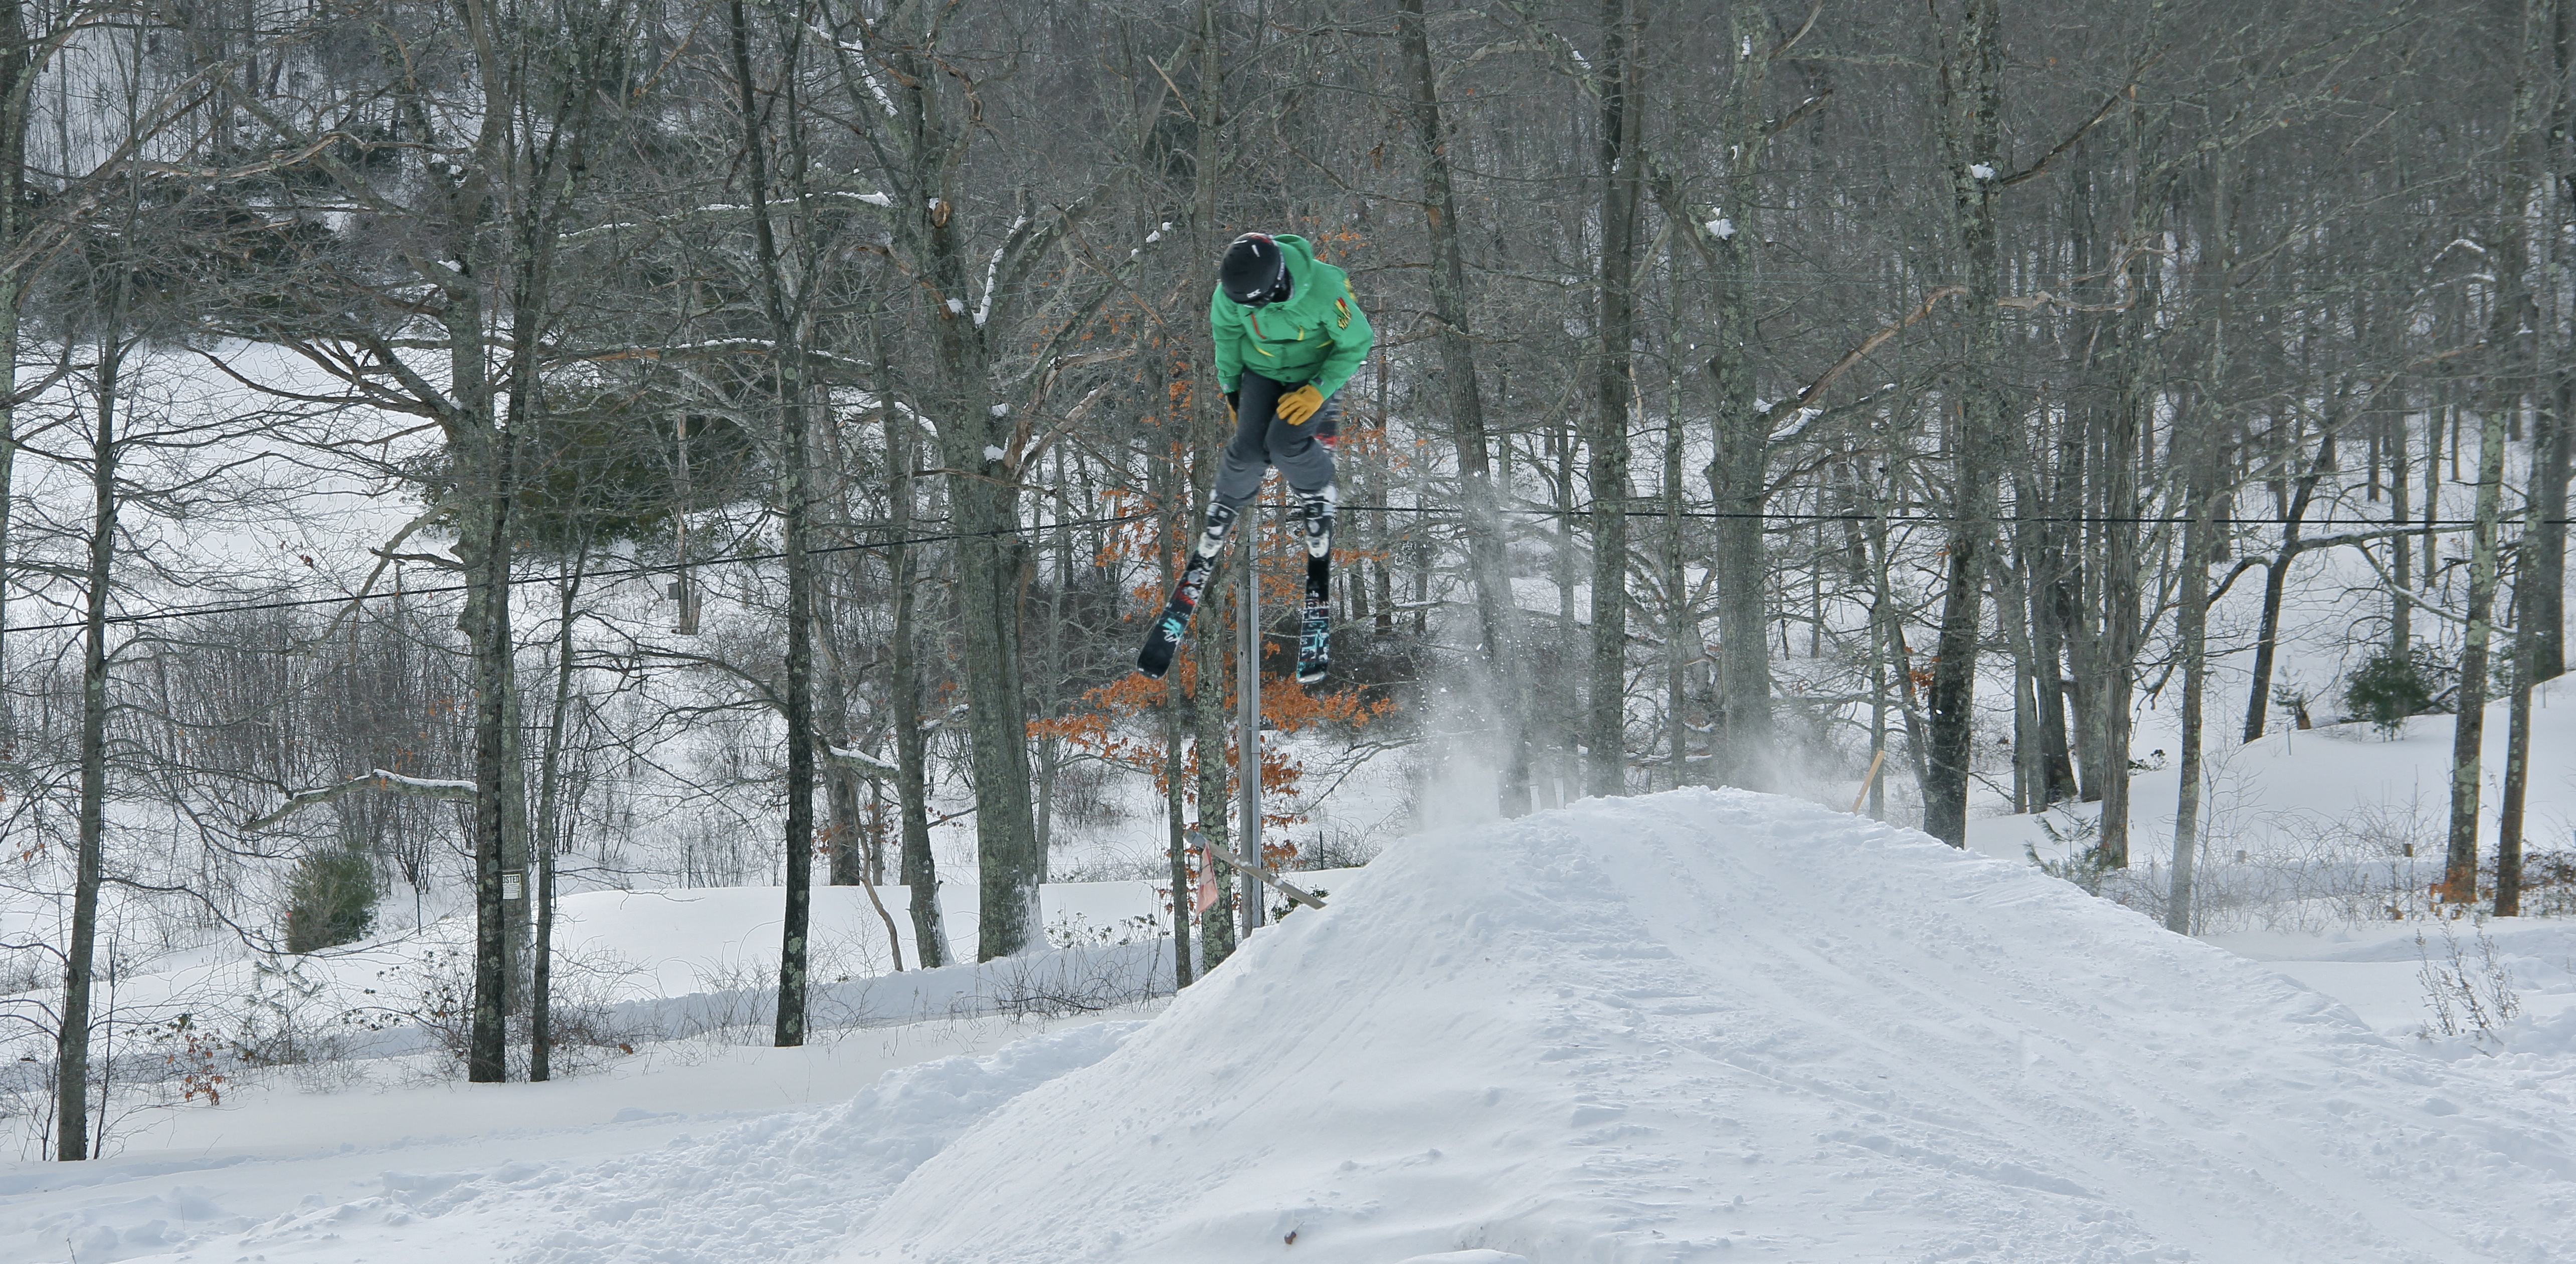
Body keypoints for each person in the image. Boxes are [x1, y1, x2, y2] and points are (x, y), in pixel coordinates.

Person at [1194, 231, 1375, 560]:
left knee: (1284, 445)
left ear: (1274, 289)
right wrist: (1231, 391)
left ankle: (1317, 494)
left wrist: (1319, 391)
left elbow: (1357, 342)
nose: (1245, 309)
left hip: (1311, 373)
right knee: (1247, 450)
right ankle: (1226, 502)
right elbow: (1227, 341)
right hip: (1261, 371)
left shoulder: (1325, 290)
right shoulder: (1230, 296)